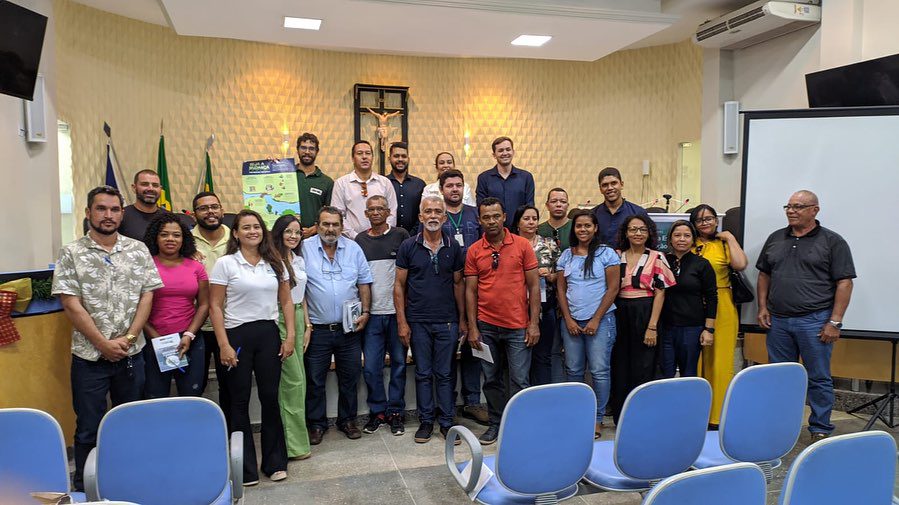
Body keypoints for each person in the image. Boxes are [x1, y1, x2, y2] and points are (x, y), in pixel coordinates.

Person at [52, 185, 163, 491]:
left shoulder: (137, 250)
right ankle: (86, 488)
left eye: (114, 209)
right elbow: (70, 303)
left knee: (130, 422)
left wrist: (130, 337)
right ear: (88, 212)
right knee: (89, 427)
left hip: (131, 354)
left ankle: (130, 482)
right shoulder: (71, 253)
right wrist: (102, 343)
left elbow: (147, 296)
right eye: (101, 208)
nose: (108, 215)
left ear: (121, 214)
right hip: (90, 357)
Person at [757, 190, 855, 442]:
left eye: (798, 206)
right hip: (778, 321)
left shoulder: (832, 241)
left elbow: (844, 282)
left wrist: (835, 321)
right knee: (781, 377)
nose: (791, 211)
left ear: (815, 210)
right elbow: (764, 275)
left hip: (815, 320)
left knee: (818, 377)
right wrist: (762, 307)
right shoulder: (775, 238)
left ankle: (820, 427)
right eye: (788, 206)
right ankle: (781, 427)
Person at [209, 209, 295, 485]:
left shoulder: (275, 262)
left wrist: (290, 336)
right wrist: (223, 344)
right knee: (239, 401)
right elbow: (215, 306)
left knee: (270, 397)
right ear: (235, 233)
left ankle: (274, 462)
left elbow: (286, 302)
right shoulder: (226, 264)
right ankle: (244, 468)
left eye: (256, 226)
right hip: (236, 336)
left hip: (268, 334)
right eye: (245, 227)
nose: (252, 231)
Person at [465, 197, 541, 445]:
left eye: (496, 216)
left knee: (520, 380)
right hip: (486, 327)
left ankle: (519, 425)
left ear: (505, 217)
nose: (492, 221)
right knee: (491, 379)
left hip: (518, 326)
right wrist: (472, 327)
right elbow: (470, 291)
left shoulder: (522, 245)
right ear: (479, 220)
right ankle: (496, 424)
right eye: (486, 217)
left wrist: (533, 323)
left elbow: (534, 286)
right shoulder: (474, 250)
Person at [395, 196, 467, 443]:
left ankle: (447, 422)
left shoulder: (453, 247)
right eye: (428, 211)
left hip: (447, 321)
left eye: (438, 211)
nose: (433, 215)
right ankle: (426, 422)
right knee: (423, 373)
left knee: (445, 373)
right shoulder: (408, 246)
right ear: (420, 216)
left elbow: (459, 284)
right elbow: (399, 286)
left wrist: (463, 320)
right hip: (418, 321)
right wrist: (402, 322)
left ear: (445, 217)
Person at [302, 206, 373, 444]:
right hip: (317, 330)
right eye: (325, 224)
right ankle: (316, 424)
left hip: (349, 329)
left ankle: (348, 420)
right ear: (317, 226)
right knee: (315, 380)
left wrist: (366, 312)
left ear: (342, 227)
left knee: (350, 378)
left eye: (335, 224)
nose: (330, 229)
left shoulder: (353, 249)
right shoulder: (304, 249)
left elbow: (364, 282)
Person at [556, 210, 620, 438]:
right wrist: (568, 319)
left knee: (599, 371)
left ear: (595, 228)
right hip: (571, 322)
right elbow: (561, 289)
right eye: (578, 226)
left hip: (601, 321)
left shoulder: (606, 254)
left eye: (587, 226)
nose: (582, 230)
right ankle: (578, 415)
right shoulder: (566, 255)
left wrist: (595, 319)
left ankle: (597, 418)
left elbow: (613, 288)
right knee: (573, 370)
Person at [610, 214, 675, 424]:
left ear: (649, 233)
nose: (637, 233)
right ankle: (622, 416)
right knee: (620, 363)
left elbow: (661, 292)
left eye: (642, 229)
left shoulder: (657, 256)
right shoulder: (615, 256)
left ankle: (643, 416)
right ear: (625, 233)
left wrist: (652, 326)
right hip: (618, 312)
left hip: (646, 312)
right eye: (633, 229)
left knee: (645, 365)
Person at [355, 196, 410, 436]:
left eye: (380, 209)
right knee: (371, 368)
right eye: (372, 209)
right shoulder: (360, 240)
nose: (376, 212)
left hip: (397, 313)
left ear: (388, 212)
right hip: (372, 315)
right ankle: (377, 412)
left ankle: (396, 412)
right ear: (366, 214)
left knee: (399, 365)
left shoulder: (401, 235)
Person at [690, 203, 748, 426]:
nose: (704, 223)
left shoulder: (723, 243)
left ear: (716, 220)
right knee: (696, 361)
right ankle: (697, 413)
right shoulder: (689, 242)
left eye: (709, 218)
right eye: (699, 220)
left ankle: (717, 416)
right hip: (694, 305)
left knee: (721, 361)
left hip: (722, 304)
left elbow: (740, 264)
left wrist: (730, 238)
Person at [437, 169, 487, 424]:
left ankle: (472, 402)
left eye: (458, 185)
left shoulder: (474, 214)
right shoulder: (436, 214)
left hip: (477, 287)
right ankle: (447, 404)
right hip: (447, 288)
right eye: (449, 186)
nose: (454, 189)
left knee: (473, 344)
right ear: (441, 189)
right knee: (448, 347)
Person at [141, 213, 209, 398]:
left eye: (176, 235)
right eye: (164, 234)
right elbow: (136, 307)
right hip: (153, 338)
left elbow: (204, 305)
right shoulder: (145, 266)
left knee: (191, 395)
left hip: (189, 339)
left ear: (184, 238)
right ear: (155, 237)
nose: (170, 239)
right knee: (155, 397)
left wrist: (189, 335)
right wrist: (157, 340)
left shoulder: (196, 267)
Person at [271, 214, 313, 460]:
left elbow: (302, 295)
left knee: (299, 382)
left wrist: (307, 325)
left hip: (298, 317)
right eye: (288, 231)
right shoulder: (271, 261)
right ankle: (292, 446)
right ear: (278, 233)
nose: (294, 236)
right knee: (291, 382)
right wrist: (290, 330)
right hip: (280, 319)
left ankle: (296, 441)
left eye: (297, 232)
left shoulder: (298, 260)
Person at [660, 220, 717, 379]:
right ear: (670, 239)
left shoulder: (702, 264)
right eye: (677, 235)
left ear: (693, 239)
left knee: (689, 374)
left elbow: (712, 297)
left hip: (692, 328)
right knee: (665, 374)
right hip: (665, 328)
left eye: (687, 235)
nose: (682, 239)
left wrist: (709, 330)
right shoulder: (661, 261)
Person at [512, 204, 561, 386]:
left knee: (543, 356)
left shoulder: (549, 244)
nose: (531, 222)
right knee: (518, 360)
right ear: (518, 222)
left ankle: (542, 396)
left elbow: (561, 274)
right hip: (516, 308)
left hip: (545, 306)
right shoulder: (510, 244)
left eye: (534, 218)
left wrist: (550, 276)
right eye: (526, 219)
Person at [190, 192, 231, 405]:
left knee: (230, 385)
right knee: (194, 385)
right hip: (196, 325)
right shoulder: (185, 240)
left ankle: (228, 424)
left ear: (222, 210)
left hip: (230, 322)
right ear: (194, 214)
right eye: (203, 208)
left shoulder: (237, 238)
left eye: (214, 207)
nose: (210, 212)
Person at [331, 140, 398, 239]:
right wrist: (357, 237)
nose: (364, 157)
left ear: (372, 157)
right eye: (359, 153)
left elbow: (392, 212)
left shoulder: (385, 183)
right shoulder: (341, 183)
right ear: (353, 158)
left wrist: (383, 235)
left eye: (368, 153)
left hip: (382, 239)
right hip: (351, 241)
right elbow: (338, 215)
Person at [475, 137, 535, 228]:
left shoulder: (526, 177)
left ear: (513, 152)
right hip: (493, 230)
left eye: (508, 149)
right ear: (494, 155)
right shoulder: (484, 178)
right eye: (500, 150)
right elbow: (481, 208)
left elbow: (530, 207)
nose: (505, 153)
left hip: (519, 231)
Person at [117, 169, 192, 240]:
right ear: (134, 188)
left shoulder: (169, 217)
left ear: (160, 189)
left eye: (155, 185)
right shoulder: (121, 216)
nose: (150, 188)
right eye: (145, 184)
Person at [591, 167, 648, 249]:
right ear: (600, 189)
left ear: (621, 184)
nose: (610, 188)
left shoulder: (638, 213)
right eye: (605, 185)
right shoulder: (593, 215)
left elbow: (647, 243)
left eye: (614, 183)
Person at [295, 132, 334, 238]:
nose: (307, 152)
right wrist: (270, 166)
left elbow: (331, 214)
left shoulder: (327, 182)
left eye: (311, 148)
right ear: (297, 150)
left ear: (317, 151)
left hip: (314, 238)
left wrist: (315, 228)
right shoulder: (286, 175)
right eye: (303, 148)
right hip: (286, 237)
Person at [386, 142, 426, 234]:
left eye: (404, 156)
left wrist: (412, 234)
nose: (400, 159)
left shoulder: (419, 184)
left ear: (408, 159)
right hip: (388, 236)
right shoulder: (383, 183)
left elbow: (423, 212)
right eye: (396, 156)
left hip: (415, 236)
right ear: (389, 159)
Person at [538, 187, 573, 252]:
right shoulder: (539, 230)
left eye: (563, 202)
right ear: (547, 205)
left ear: (567, 206)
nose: (558, 205)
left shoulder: (575, 227)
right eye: (554, 201)